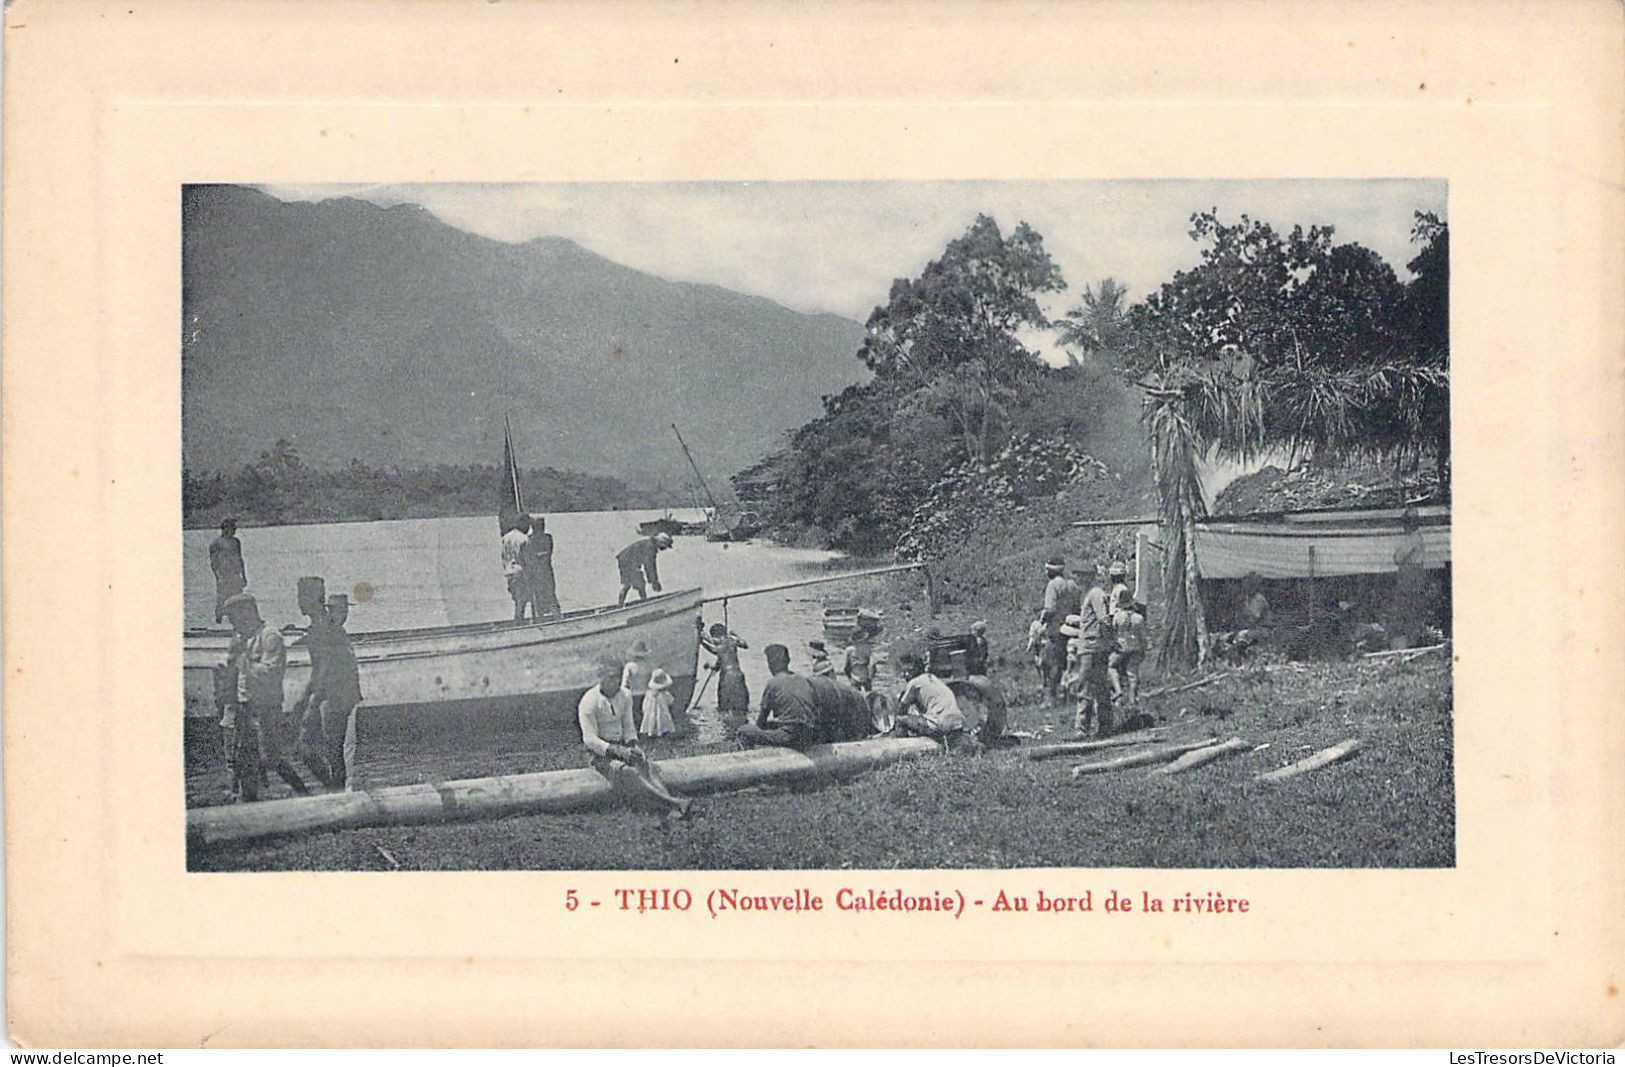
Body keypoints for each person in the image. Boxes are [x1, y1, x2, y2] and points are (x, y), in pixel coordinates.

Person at [220, 593, 311, 800]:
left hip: (266, 708)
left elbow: (271, 673)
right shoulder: (240, 639)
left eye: (234, 618)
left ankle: (305, 795)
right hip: (243, 708)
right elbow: (233, 674)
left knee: (273, 758)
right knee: (243, 759)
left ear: (248, 613)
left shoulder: (270, 636)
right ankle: (249, 801)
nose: (233, 624)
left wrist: (244, 660)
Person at [577, 659, 690, 816]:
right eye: (610, 677)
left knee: (647, 766)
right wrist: (616, 751)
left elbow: (629, 726)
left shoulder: (625, 695)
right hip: (599, 754)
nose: (615, 681)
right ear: (600, 677)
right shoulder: (589, 701)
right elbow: (589, 740)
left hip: (623, 746)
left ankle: (670, 803)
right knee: (626, 772)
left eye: (618, 677)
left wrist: (633, 745)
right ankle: (672, 804)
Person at [292, 579, 365, 792]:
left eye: (302, 596)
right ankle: (335, 791)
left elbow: (324, 669)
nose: (299, 602)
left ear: (314, 599)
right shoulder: (321, 626)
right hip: (335, 695)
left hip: (337, 697)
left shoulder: (323, 628)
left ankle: (336, 793)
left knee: (328, 750)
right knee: (327, 750)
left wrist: (310, 703)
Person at [738, 644, 821, 749]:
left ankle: (752, 759)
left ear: (771, 663)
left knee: (744, 731)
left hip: (792, 736)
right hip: (810, 734)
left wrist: (756, 731)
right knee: (772, 725)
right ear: (788, 661)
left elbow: (761, 720)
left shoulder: (773, 683)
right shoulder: (803, 679)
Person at [1073, 565, 1116, 736]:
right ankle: (1104, 725)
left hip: (1092, 647)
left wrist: (1109, 640)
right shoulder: (1092, 594)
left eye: (1078, 576)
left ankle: (1082, 727)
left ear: (1086, 577)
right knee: (1099, 686)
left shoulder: (1095, 594)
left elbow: (1104, 620)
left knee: (1086, 685)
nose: (1076, 580)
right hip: (1094, 645)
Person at [894, 651, 967, 740]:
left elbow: (901, 710)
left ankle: (902, 747)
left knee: (900, 719)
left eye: (906, 672)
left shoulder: (914, 683)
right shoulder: (932, 678)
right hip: (957, 723)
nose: (904, 675)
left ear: (914, 670)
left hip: (940, 725)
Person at [1039, 556, 1082, 705]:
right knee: (1068, 663)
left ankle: (1051, 697)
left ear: (1051, 571)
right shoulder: (1073, 585)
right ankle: (1067, 694)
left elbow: (1049, 609)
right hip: (1071, 628)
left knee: (1051, 664)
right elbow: (1078, 608)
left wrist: (1041, 621)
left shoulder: (1053, 585)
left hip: (1056, 629)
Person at [700, 620, 751, 722]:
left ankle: (726, 725)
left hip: (727, 678)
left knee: (724, 707)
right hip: (738, 674)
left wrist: (700, 640)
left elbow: (713, 648)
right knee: (742, 705)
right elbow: (745, 645)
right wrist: (736, 635)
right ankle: (743, 721)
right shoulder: (732, 642)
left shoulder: (722, 643)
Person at [1109, 600, 1148, 713]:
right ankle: (1132, 699)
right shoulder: (1139, 618)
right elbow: (1143, 636)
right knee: (1132, 673)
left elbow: (1114, 631)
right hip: (1136, 647)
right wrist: (1144, 648)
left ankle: (1118, 690)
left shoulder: (1118, 616)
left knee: (1112, 666)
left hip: (1122, 647)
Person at [616, 531, 673, 605]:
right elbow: (649, 566)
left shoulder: (650, 545)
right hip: (627, 561)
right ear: (661, 542)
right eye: (665, 546)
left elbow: (650, 565)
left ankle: (624, 604)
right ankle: (644, 603)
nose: (664, 549)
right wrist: (654, 582)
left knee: (632, 583)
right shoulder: (650, 547)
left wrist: (653, 581)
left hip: (626, 560)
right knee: (639, 583)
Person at [209, 518, 248, 623]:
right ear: (225, 529)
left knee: (238, 597)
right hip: (224, 575)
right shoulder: (216, 543)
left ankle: (238, 620)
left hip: (235, 574)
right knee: (222, 598)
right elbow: (214, 563)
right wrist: (218, 577)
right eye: (232, 528)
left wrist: (244, 576)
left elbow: (240, 558)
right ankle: (219, 619)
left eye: (234, 529)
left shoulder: (236, 542)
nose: (234, 531)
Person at [528, 515, 562, 618]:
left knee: (549, 594)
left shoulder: (546, 538)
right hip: (540, 571)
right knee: (540, 596)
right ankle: (542, 617)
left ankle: (555, 616)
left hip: (543, 570)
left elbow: (546, 553)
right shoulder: (531, 539)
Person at [501, 515, 534, 620]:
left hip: (509, 571)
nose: (529, 528)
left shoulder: (506, 537)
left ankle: (518, 620)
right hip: (520, 571)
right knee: (522, 600)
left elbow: (503, 556)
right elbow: (527, 559)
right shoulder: (524, 539)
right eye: (528, 525)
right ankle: (519, 622)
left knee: (517, 599)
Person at [842, 617, 880, 692]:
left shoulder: (849, 650)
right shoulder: (867, 649)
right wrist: (870, 678)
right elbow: (873, 665)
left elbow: (846, 667)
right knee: (869, 698)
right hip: (865, 677)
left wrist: (849, 678)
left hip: (854, 677)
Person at [622, 639, 653, 722]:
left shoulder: (629, 666)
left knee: (634, 716)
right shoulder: (648, 665)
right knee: (646, 716)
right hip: (647, 694)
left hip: (634, 694)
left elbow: (624, 682)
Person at [640, 668, 676, 738]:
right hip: (662, 712)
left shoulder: (648, 693)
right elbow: (671, 701)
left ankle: (650, 733)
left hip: (650, 712)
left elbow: (645, 704)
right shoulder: (665, 694)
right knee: (661, 720)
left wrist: (645, 709)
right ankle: (661, 733)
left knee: (651, 720)